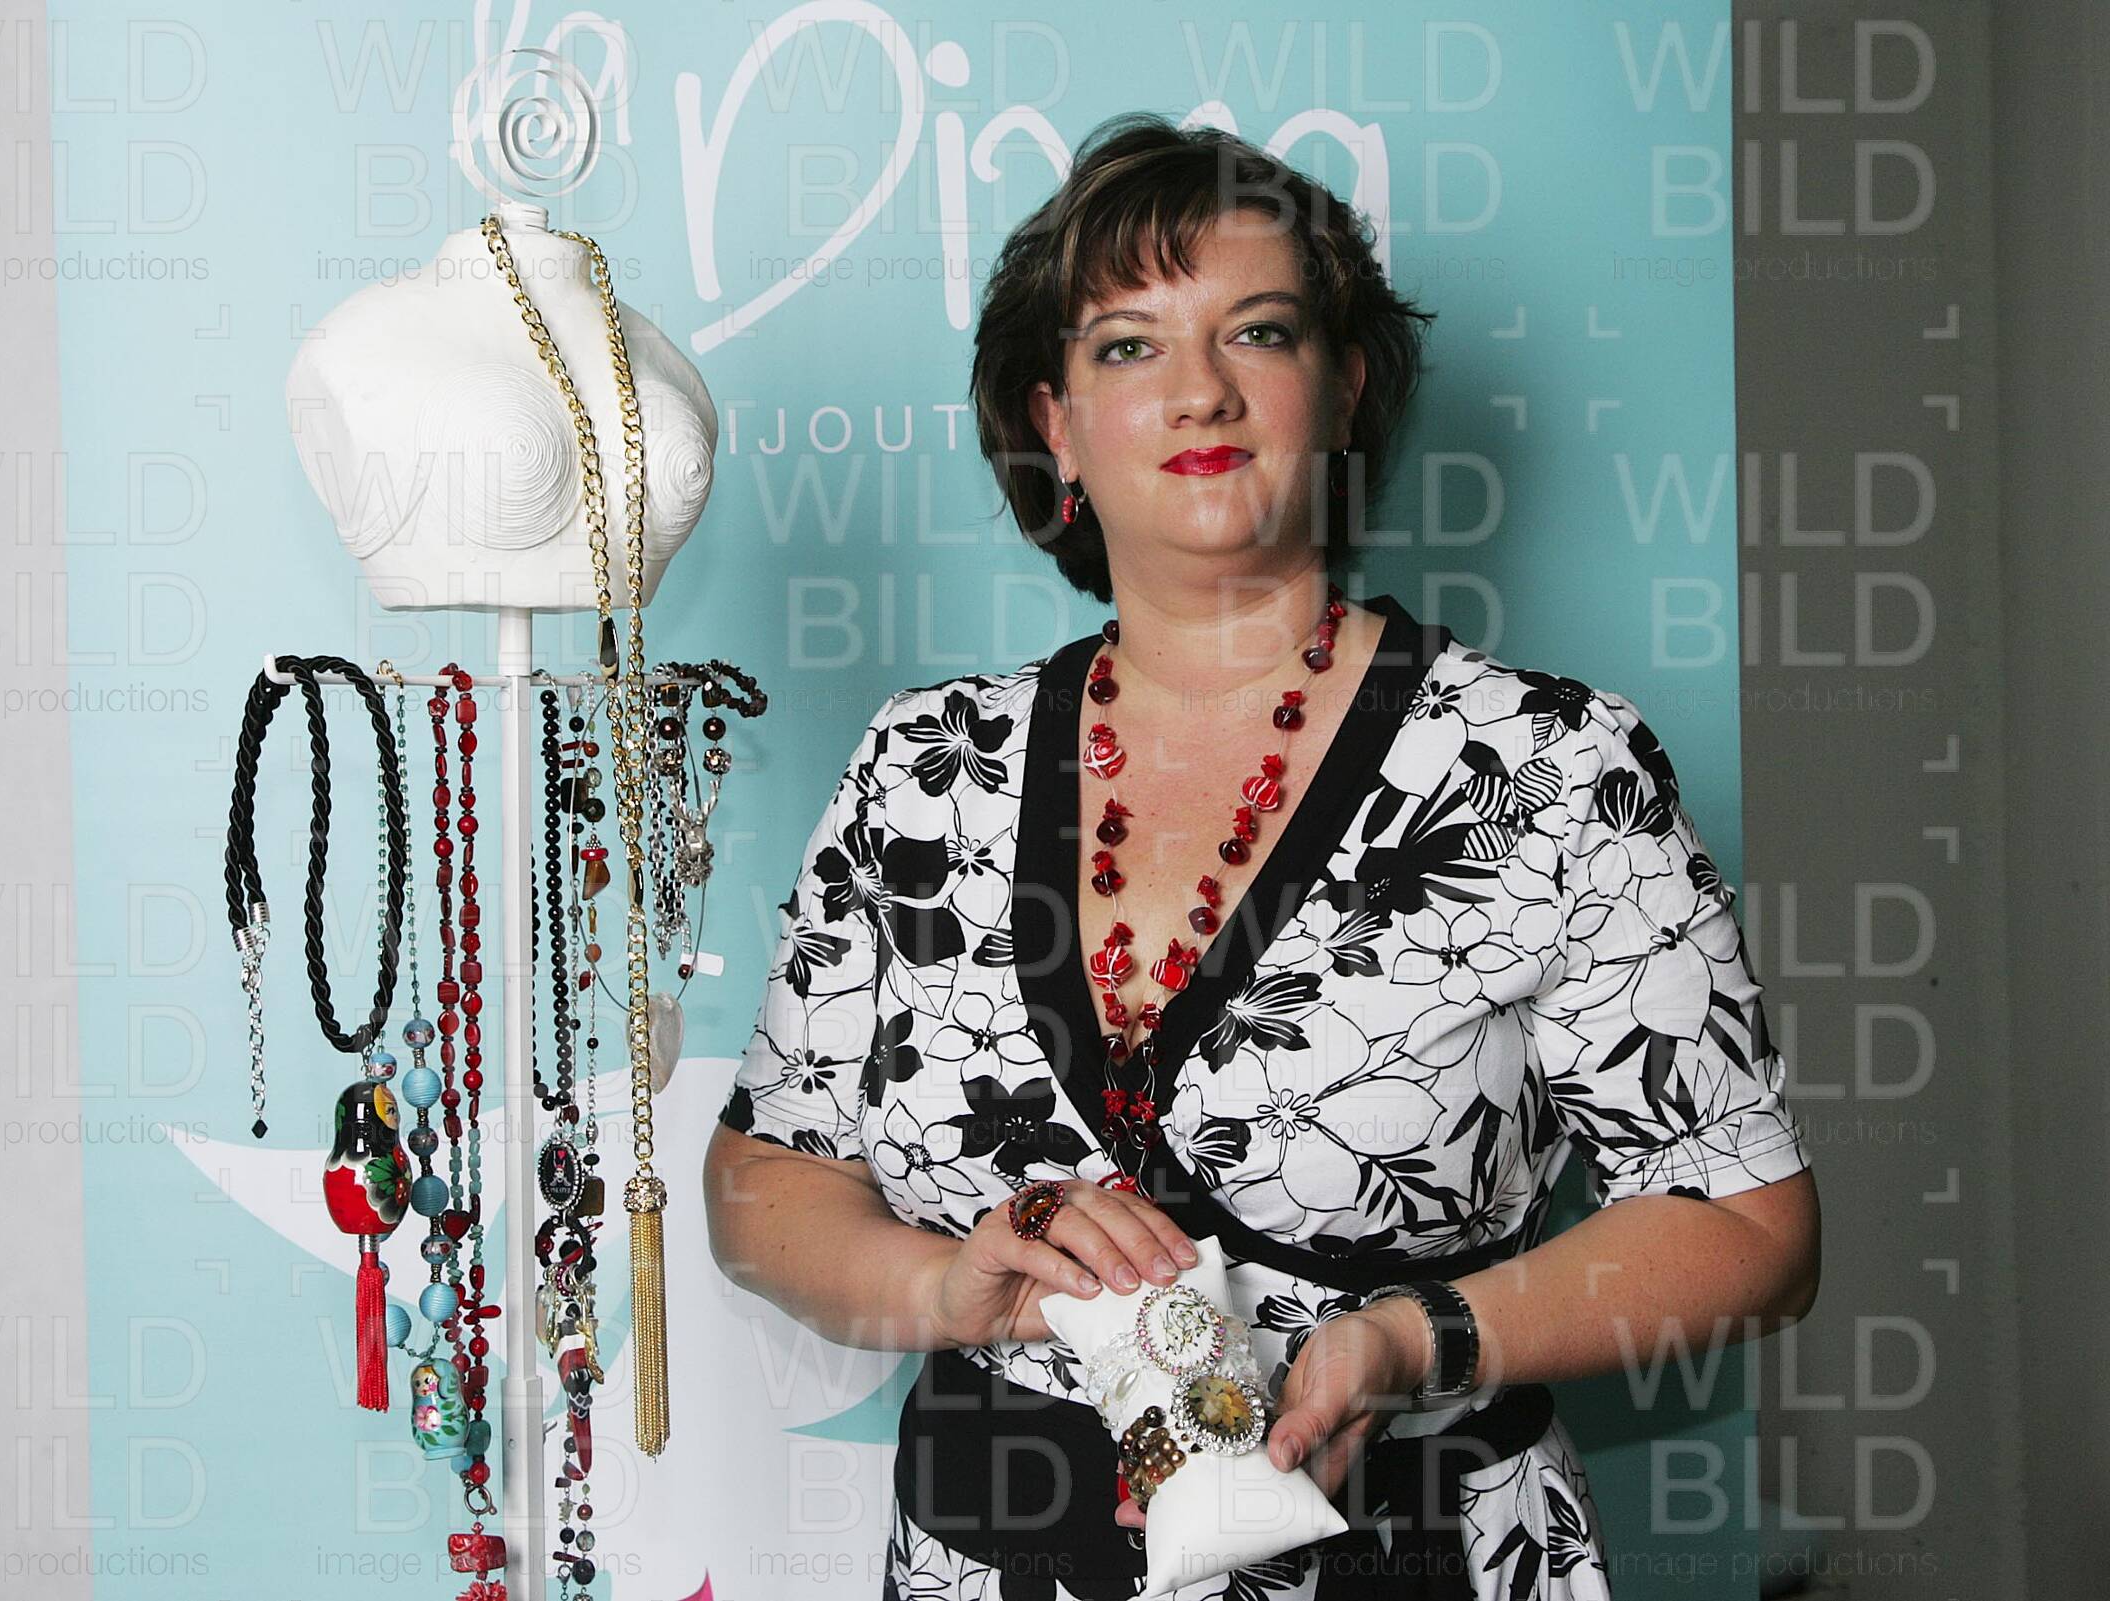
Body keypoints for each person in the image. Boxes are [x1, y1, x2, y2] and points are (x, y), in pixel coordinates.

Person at [702, 112, 1820, 1601]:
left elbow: (1750, 1223)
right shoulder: (922, 770)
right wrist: (949, 1284)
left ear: (1344, 387)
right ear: (1055, 427)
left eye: (1260, 331)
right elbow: (761, 1179)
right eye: (1128, 347)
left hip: (1420, 1558)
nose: (1200, 390)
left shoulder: (1552, 768)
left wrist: (1419, 1338)